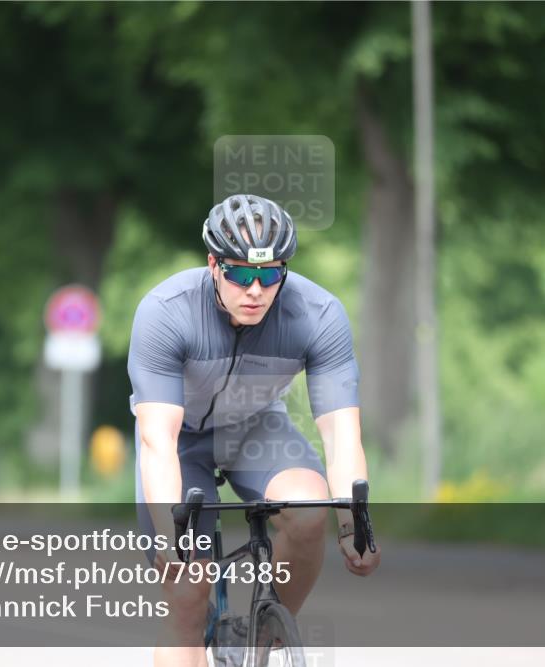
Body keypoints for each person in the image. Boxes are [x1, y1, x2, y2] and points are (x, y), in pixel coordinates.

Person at [128, 194, 380, 667]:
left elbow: (341, 435)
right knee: (188, 595)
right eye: (240, 273)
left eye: (269, 275)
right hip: (180, 442)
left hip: (255, 429)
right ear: (212, 265)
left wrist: (352, 525)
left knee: (309, 514)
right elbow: (156, 439)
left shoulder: (319, 315)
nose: (255, 290)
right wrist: (171, 542)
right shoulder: (166, 311)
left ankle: (267, 633)